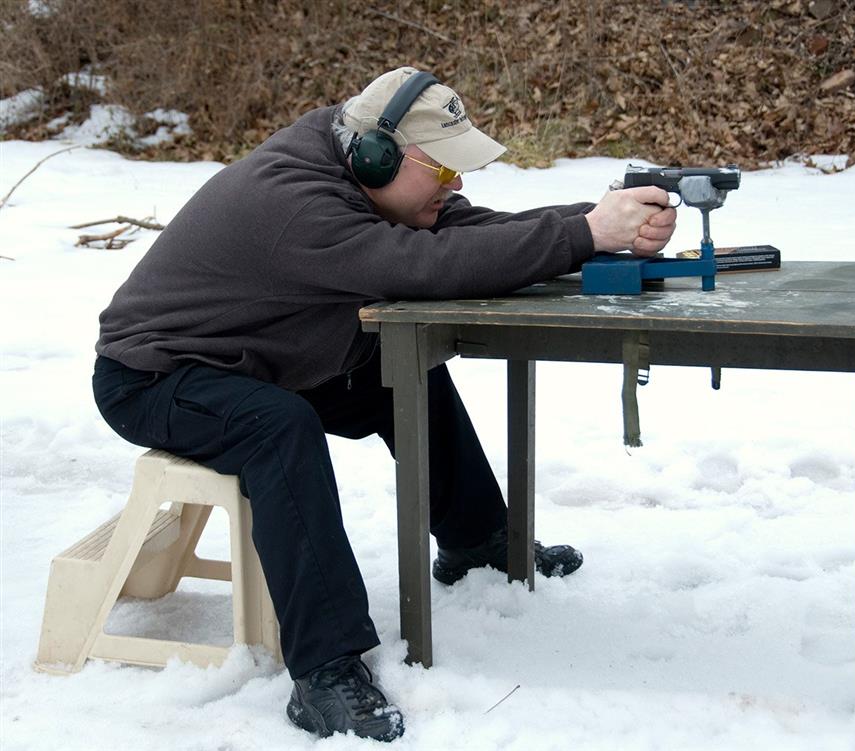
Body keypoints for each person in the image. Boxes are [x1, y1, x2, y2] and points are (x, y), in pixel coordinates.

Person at [92, 66, 677, 742]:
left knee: (400, 363)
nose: (456, 186)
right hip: (158, 376)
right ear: (379, 155)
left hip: (264, 356)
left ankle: (475, 540)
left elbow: (469, 236)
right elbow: (425, 267)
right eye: (445, 172)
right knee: (277, 428)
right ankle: (325, 669)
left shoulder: (353, 161)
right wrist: (585, 234)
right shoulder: (297, 204)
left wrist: (596, 227)